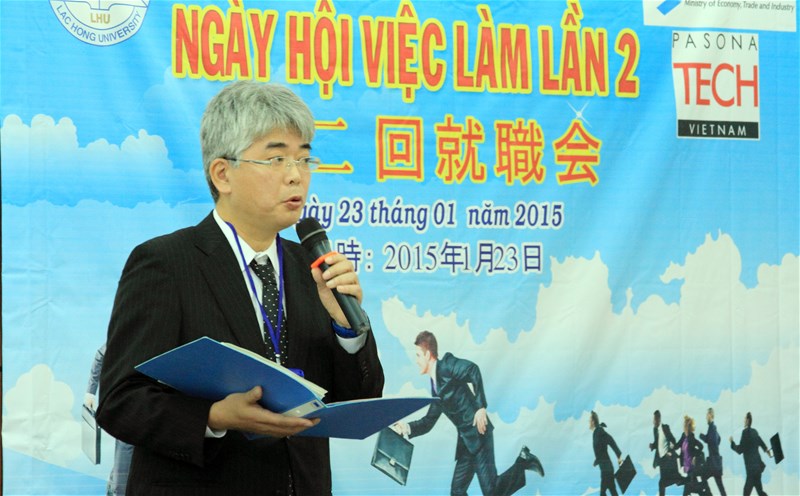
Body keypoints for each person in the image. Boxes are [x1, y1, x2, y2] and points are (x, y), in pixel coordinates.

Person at [95, 81, 385, 495]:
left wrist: (347, 329)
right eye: (276, 158)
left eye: (304, 159)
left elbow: (359, 397)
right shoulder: (166, 263)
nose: (295, 175)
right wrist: (213, 417)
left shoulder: (313, 268)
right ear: (223, 173)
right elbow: (120, 401)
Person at [392, 330, 543, 496]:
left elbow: (473, 369)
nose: (416, 361)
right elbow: (428, 421)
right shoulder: (436, 387)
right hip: (466, 442)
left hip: (479, 433)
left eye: (418, 355)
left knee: (492, 492)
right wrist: (405, 428)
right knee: (457, 491)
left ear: (428, 354)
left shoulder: (447, 365)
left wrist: (480, 407)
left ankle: (523, 461)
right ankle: (523, 461)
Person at [85, 343, 133, 495]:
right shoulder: (129, 334)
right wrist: (90, 393)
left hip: (159, 411)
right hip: (130, 411)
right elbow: (101, 354)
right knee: (123, 469)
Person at [730, 412, 772, 496]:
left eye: (745, 418)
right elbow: (761, 443)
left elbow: (740, 450)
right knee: (760, 492)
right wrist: (767, 451)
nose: (743, 420)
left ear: (747, 420)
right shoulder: (755, 432)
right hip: (758, 468)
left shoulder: (745, 432)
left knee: (746, 492)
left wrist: (732, 443)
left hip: (751, 470)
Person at [673, 415, 710, 496]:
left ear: (687, 427)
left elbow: (701, 446)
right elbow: (677, 445)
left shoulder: (691, 437)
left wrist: (695, 457)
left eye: (685, 426)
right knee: (695, 489)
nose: (684, 428)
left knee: (689, 489)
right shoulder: (683, 436)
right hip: (686, 467)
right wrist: (672, 446)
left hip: (692, 467)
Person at [589, 411, 622, 496]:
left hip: (607, 469)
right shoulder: (596, 433)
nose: (589, 422)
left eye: (590, 420)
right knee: (612, 491)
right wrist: (597, 460)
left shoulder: (599, 431)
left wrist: (618, 455)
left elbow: (611, 440)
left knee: (603, 492)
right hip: (605, 468)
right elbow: (600, 450)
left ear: (593, 421)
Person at [650, 410, 680, 496]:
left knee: (662, 483)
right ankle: (681, 480)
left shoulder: (665, 428)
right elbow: (657, 442)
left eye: (654, 420)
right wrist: (653, 446)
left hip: (667, 458)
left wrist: (670, 451)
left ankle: (683, 480)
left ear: (658, 419)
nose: (653, 422)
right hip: (661, 460)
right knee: (663, 482)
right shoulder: (655, 430)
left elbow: (673, 440)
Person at [699, 408, 726, 496]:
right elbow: (719, 439)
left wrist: (701, 436)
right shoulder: (713, 428)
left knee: (703, 476)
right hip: (716, 462)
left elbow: (710, 440)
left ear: (710, 415)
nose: (706, 417)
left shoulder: (712, 428)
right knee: (720, 486)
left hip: (713, 463)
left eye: (707, 415)